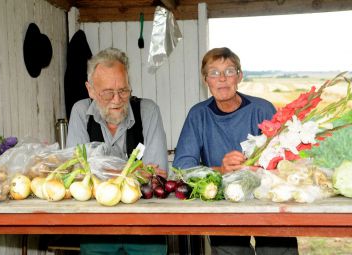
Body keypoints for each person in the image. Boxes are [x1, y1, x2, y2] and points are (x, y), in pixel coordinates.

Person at [173, 47, 299, 255]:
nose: (222, 78)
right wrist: (221, 170)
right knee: (230, 250)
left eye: (229, 71)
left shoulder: (263, 109)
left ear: (239, 76)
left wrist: (258, 167)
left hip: (266, 199)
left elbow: (285, 160)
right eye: (214, 73)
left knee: (277, 249)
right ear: (206, 80)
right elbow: (182, 168)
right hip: (224, 202)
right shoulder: (198, 115)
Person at [67, 47, 168, 255]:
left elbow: (157, 178)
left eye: (123, 90)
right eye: (107, 92)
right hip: (96, 226)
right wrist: (135, 172)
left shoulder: (148, 111)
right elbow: (78, 173)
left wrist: (101, 173)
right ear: (90, 90)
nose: (117, 99)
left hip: (145, 225)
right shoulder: (80, 112)